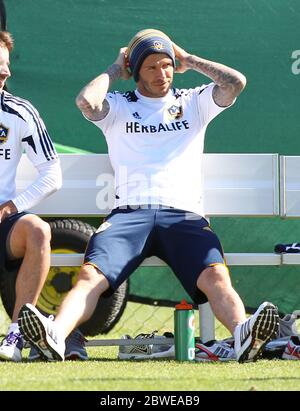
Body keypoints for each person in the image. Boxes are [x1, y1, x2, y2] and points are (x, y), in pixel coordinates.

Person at [18, 28, 279, 363]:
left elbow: (235, 83)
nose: (163, 73)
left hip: (183, 214)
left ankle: (243, 333)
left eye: (167, 65)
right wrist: (115, 69)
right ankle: (55, 335)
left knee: (215, 274)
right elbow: (86, 101)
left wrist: (190, 60)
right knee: (89, 276)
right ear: (136, 71)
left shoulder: (193, 101)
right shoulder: (118, 104)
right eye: (152, 67)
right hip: (129, 215)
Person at [0, 31, 87, 362]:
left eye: (6, 65)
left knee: (38, 229)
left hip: (3, 226)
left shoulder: (19, 112)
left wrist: (13, 205)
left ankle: (17, 334)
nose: (5, 72)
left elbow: (52, 174)